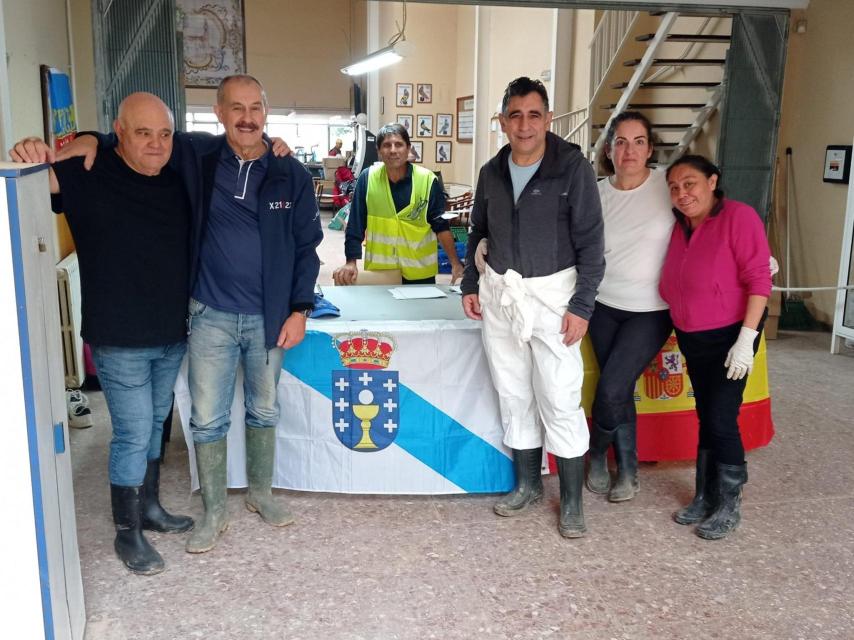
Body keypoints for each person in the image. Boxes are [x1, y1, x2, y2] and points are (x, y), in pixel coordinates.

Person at [59, 75, 323, 554]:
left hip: (269, 317)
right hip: (209, 315)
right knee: (206, 418)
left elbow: (308, 247)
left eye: (257, 108)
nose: (247, 117)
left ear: (267, 112)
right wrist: (87, 138)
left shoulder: (292, 173)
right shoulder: (196, 157)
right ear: (218, 113)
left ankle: (261, 495)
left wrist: (300, 308)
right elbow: (134, 135)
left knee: (264, 408)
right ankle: (215, 510)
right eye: (236, 107)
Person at [10, 93, 194, 575]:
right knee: (133, 433)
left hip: (171, 331)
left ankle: (150, 507)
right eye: (142, 132)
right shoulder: (86, 172)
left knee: (155, 424)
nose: (156, 143)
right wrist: (30, 148)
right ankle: (127, 531)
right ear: (118, 131)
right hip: (119, 337)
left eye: (164, 133)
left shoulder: (179, 178)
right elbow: (28, 177)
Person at [460, 77, 605, 538]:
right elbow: (477, 231)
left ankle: (572, 502)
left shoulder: (572, 169)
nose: (524, 125)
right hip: (501, 294)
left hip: (554, 300)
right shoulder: (491, 172)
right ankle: (527, 486)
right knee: (513, 391)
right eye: (515, 115)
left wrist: (582, 306)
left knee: (559, 397)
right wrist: (469, 281)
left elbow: (592, 245)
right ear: (502, 122)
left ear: (548, 118)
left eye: (534, 114)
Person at [659, 154, 771, 540]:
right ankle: (705, 495)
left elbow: (759, 280)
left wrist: (745, 339)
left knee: (722, 418)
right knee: (707, 413)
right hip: (693, 337)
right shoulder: (680, 226)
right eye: (674, 187)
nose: (681, 193)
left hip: (730, 338)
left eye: (689, 183)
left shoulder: (739, 217)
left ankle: (729, 502)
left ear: (712, 181)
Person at [585, 112, 674, 502]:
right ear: (609, 150)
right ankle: (628, 468)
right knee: (618, 389)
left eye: (638, 141)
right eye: (621, 141)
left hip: (651, 309)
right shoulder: (596, 193)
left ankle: (595, 454)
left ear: (650, 148)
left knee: (611, 388)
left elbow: (710, 219)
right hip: (603, 305)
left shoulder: (668, 186)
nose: (629, 150)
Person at [332, 123, 463, 286]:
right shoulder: (368, 179)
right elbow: (355, 225)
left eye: (399, 144)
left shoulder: (427, 180)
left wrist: (455, 264)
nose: (393, 150)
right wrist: (351, 261)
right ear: (379, 151)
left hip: (420, 272)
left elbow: (441, 226)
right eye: (386, 145)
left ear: (408, 149)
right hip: (381, 271)